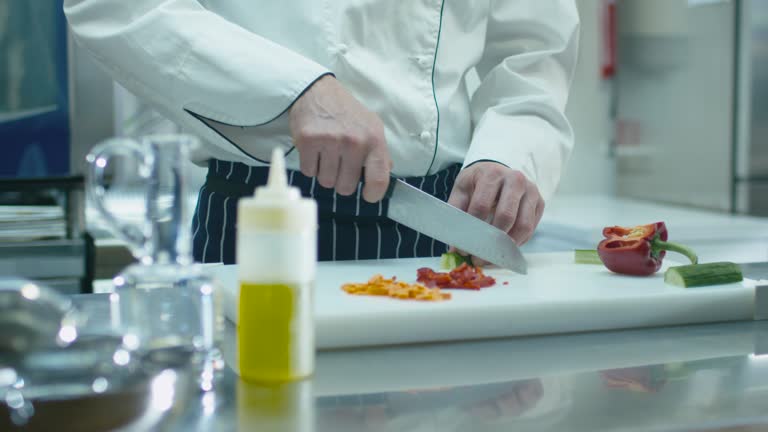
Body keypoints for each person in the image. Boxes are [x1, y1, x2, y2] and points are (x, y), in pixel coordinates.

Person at [64, 1, 580, 264]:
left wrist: (510, 152)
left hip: (451, 223)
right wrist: (295, 91)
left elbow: (533, 50)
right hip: (264, 217)